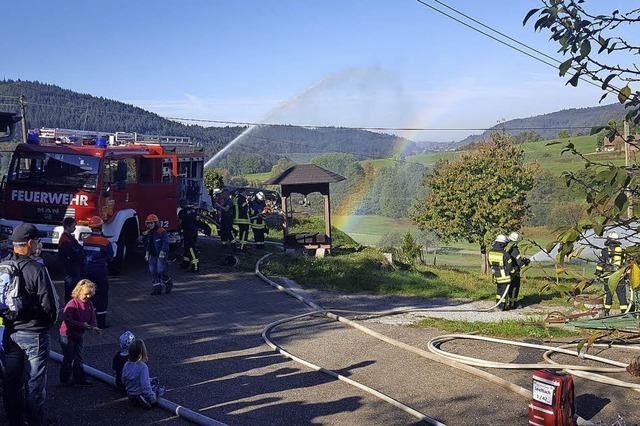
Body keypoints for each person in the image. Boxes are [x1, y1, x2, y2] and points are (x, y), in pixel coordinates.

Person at [2, 223, 60, 426]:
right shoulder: (37, 269)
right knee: (34, 383)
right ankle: (35, 421)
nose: (38, 245)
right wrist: (48, 323)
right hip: (35, 334)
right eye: (37, 241)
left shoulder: (4, 265)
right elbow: (50, 306)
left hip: (10, 332)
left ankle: (15, 421)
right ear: (29, 243)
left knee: (11, 381)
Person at [59, 279, 101, 386]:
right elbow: (67, 319)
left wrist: (94, 327)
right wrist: (82, 325)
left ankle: (79, 378)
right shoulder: (72, 304)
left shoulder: (89, 303)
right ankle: (65, 379)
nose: (88, 297)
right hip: (67, 335)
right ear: (79, 291)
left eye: (90, 295)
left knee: (78, 357)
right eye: (86, 294)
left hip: (78, 334)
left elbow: (92, 317)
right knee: (69, 357)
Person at [83, 216, 114, 329]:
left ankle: (90, 319)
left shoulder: (86, 240)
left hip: (88, 272)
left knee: (90, 295)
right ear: (101, 227)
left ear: (91, 228)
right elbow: (110, 257)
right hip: (100, 272)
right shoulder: (105, 242)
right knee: (102, 296)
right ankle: (100, 322)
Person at [122, 339, 164, 409]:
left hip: (130, 393)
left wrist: (149, 379)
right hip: (140, 392)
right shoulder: (143, 367)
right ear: (142, 353)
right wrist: (152, 399)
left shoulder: (126, 364)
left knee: (151, 381)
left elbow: (123, 379)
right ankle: (145, 399)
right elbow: (145, 386)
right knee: (158, 389)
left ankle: (137, 398)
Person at [595, 232, 628, 315]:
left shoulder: (604, 251)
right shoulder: (623, 252)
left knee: (608, 295)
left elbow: (600, 263)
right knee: (622, 296)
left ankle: (606, 312)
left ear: (608, 240)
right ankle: (625, 313)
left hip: (608, 277)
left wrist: (598, 273)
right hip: (620, 277)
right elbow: (626, 265)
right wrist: (626, 276)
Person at [144, 214, 173, 296]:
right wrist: (146, 254)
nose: (149, 225)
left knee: (161, 271)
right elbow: (148, 245)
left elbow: (165, 243)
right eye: (148, 223)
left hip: (161, 255)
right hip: (152, 255)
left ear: (155, 223)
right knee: (153, 272)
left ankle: (168, 282)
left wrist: (163, 252)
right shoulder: (149, 233)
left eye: (151, 223)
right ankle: (157, 289)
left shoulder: (161, 231)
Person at [58, 216, 84, 303]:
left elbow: (79, 249)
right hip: (70, 271)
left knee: (74, 291)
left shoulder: (69, 238)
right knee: (70, 292)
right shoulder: (65, 240)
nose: (75, 228)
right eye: (73, 226)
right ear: (68, 226)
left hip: (73, 269)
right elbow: (74, 252)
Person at [488, 234, 513, 311]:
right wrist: (515, 271)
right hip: (504, 276)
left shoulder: (490, 252)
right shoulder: (505, 254)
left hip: (496, 275)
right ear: (502, 244)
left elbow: (490, 264)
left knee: (499, 292)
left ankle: (498, 304)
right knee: (504, 293)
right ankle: (502, 307)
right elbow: (510, 267)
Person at [506, 232, 530, 310]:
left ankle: (506, 303)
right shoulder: (515, 249)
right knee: (514, 288)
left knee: (507, 288)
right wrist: (525, 262)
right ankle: (512, 305)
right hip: (514, 273)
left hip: (507, 271)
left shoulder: (506, 247)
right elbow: (520, 264)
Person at [178, 202, 199, 273]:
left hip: (187, 232)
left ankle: (195, 266)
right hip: (194, 232)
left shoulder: (182, 212)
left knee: (191, 249)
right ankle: (185, 263)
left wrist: (179, 230)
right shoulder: (194, 211)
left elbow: (180, 222)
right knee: (187, 248)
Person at [113, 330, 136, 395]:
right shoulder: (133, 357)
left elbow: (115, 369)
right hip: (130, 386)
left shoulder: (117, 356)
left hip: (119, 383)